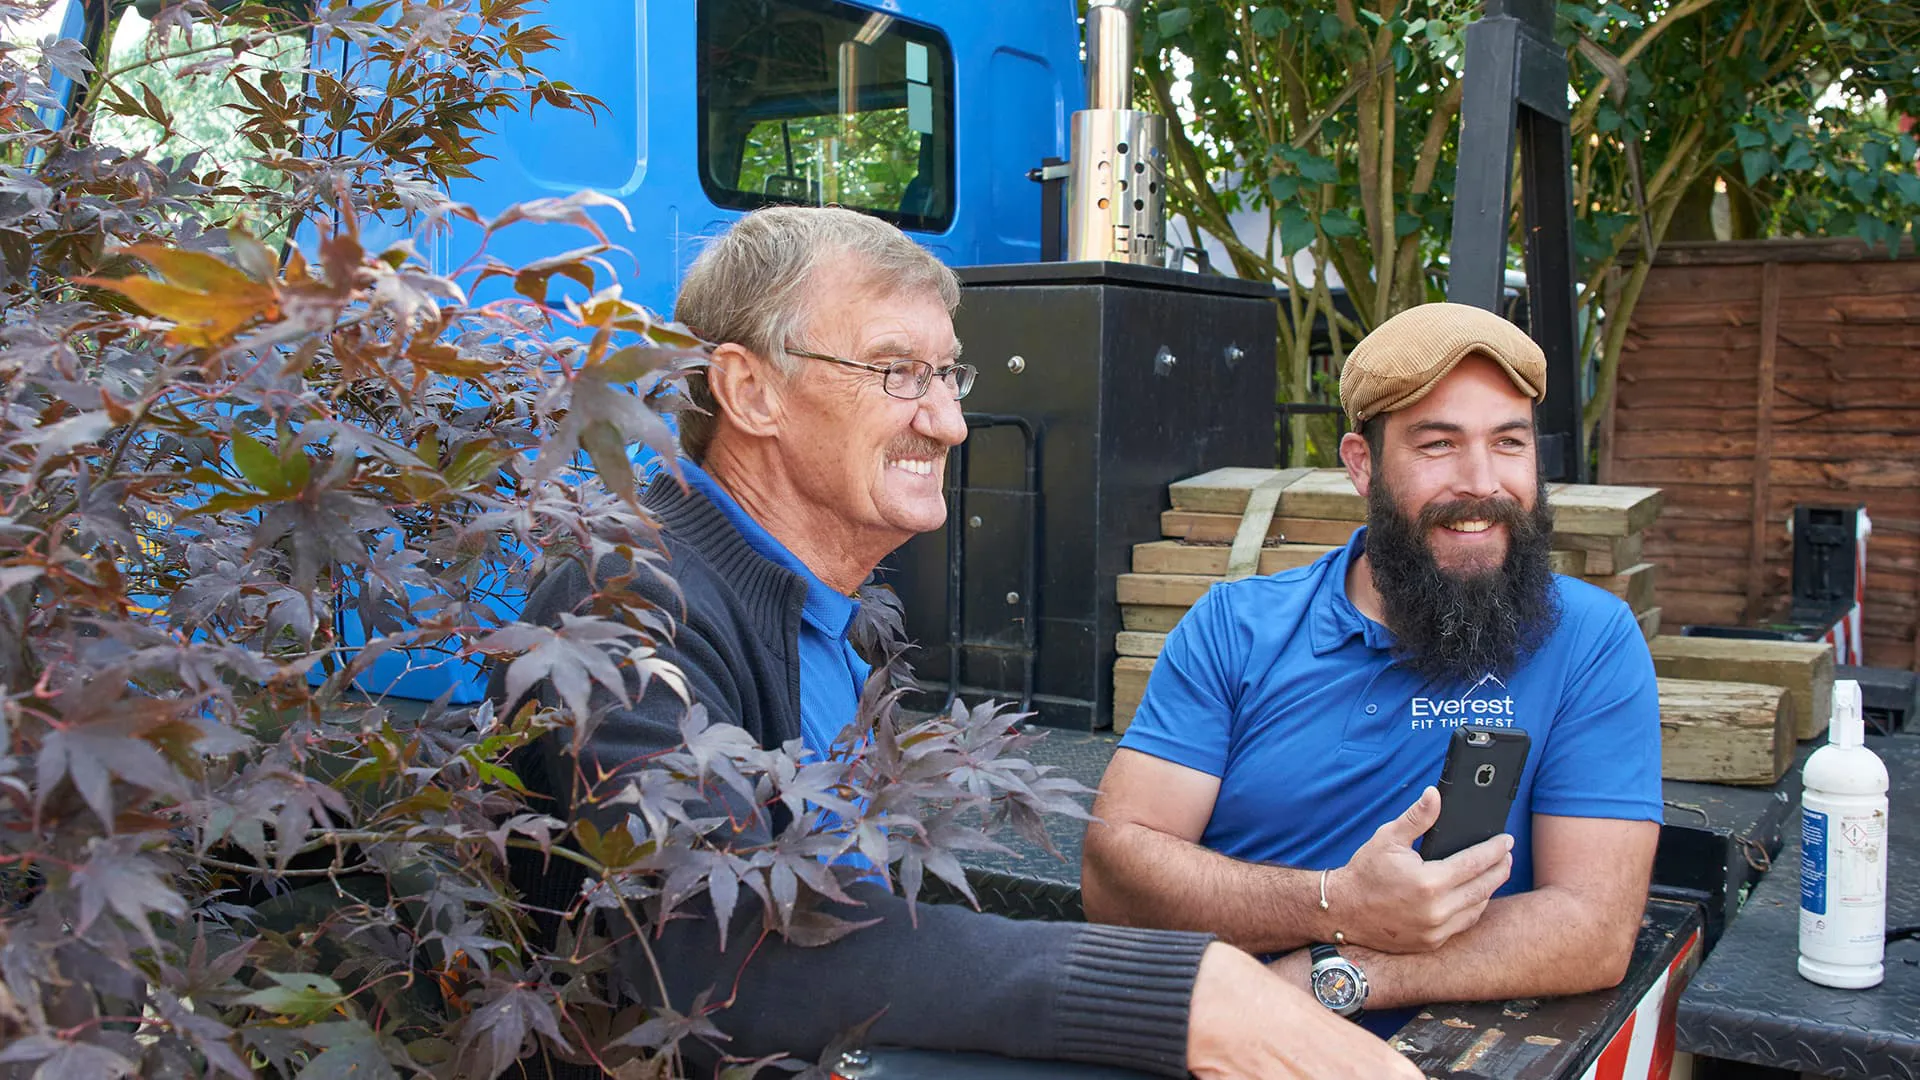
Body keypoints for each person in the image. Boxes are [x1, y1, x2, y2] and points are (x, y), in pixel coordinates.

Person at [501, 206, 1419, 1079]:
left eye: (948, 376)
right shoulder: (622, 606)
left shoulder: (836, 616)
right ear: (750, 390)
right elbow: (713, 954)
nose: (947, 422)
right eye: (898, 372)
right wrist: (1186, 993)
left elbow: (867, 930)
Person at [1080, 303, 1662, 1037]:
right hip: (1204, 1045)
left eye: (1508, 442)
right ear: (1362, 464)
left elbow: (1592, 926)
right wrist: (1335, 902)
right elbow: (1114, 874)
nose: (1481, 481)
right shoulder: (1236, 628)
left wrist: (1333, 976)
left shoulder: (1587, 640)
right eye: (1439, 443)